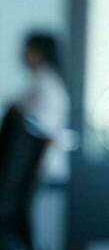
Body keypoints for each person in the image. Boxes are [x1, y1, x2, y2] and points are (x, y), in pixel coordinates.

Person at [15, 32, 71, 182]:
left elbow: (43, 132)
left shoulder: (46, 85)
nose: (22, 54)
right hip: (38, 172)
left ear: (38, 53)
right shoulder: (40, 83)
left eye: (27, 49)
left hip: (42, 172)